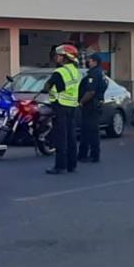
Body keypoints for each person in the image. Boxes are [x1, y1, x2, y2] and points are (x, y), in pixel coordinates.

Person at [45, 44, 82, 175]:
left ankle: (60, 166)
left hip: (60, 106)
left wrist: (48, 88)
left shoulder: (60, 72)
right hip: (72, 106)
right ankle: (72, 164)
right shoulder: (76, 71)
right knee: (71, 137)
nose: (56, 58)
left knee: (60, 138)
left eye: (59, 55)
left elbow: (50, 86)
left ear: (66, 57)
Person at [78, 53, 107, 164]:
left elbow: (91, 91)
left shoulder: (94, 74)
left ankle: (93, 155)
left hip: (90, 105)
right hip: (95, 104)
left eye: (89, 60)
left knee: (91, 131)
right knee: (86, 131)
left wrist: (81, 102)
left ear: (94, 62)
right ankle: (83, 154)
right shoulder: (100, 73)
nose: (88, 62)